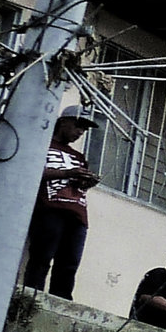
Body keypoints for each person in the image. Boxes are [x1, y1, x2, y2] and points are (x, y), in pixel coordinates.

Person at [23, 109, 101, 297]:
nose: (80, 131)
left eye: (84, 129)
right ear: (63, 122)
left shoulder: (79, 157)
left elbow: (78, 186)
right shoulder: (43, 144)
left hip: (77, 213)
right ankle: (30, 297)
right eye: (78, 125)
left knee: (69, 264)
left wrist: (86, 182)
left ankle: (61, 300)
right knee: (42, 257)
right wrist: (68, 173)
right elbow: (32, 172)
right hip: (50, 208)